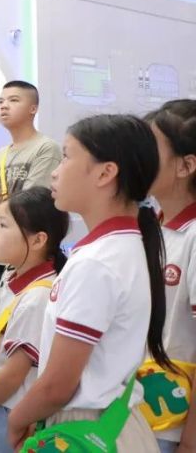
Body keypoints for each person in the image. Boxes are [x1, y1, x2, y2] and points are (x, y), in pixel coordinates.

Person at [7, 114, 172, 451]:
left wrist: (15, 421)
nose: (55, 171)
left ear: (105, 173)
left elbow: (57, 386)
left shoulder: (97, 263)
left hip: (83, 429)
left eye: (66, 156)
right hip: (112, 422)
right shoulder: (121, 247)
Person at [0, 187, 69, 452]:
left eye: (3, 225)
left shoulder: (38, 297)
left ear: (38, 240)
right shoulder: (10, 276)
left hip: (11, 411)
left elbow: (13, 373)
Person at [146, 100, 196, 453]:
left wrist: (190, 442)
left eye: (150, 149)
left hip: (173, 427)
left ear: (186, 165)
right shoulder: (154, 226)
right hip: (138, 414)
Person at [0, 80, 62, 228]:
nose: (4, 106)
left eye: (14, 100)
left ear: (33, 109)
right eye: (0, 101)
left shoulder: (46, 148)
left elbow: (31, 203)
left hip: (25, 237)